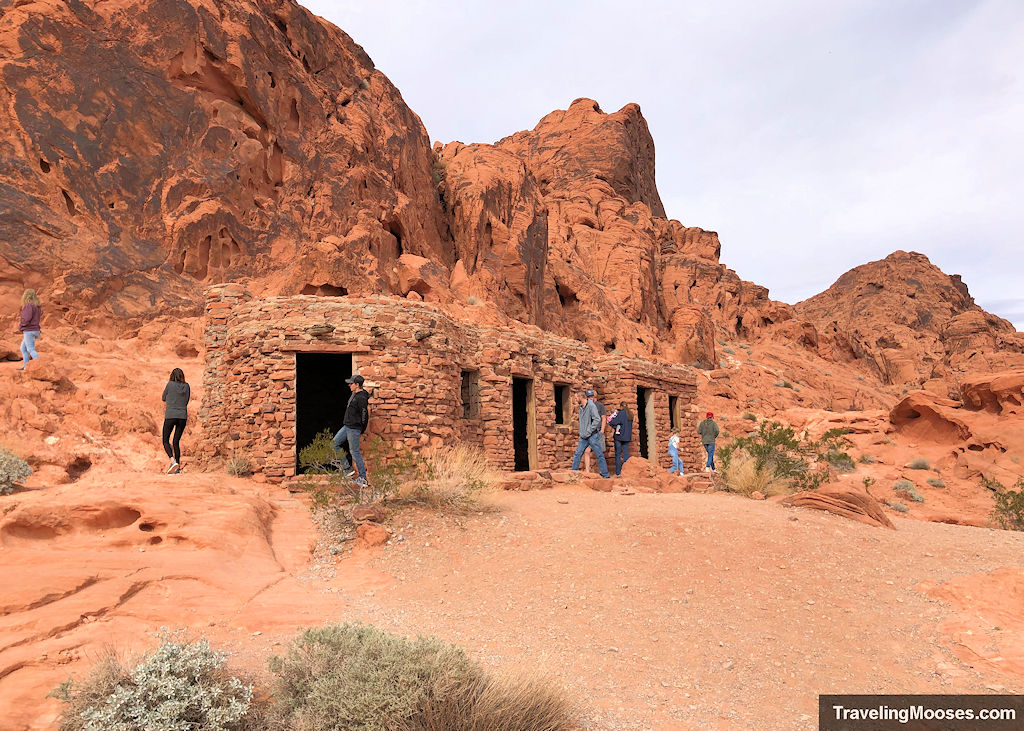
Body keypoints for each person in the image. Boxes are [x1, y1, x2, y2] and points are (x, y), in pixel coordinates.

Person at [333, 374, 370, 486]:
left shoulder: (361, 398)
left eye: (351, 383)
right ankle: (347, 470)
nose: (349, 385)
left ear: (357, 385)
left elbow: (364, 415)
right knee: (334, 444)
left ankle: (363, 479)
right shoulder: (355, 394)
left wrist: (361, 428)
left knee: (355, 452)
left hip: (354, 428)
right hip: (347, 426)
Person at [571, 389, 610, 479]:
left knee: (599, 453)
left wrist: (589, 430)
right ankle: (573, 473)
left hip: (592, 435)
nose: (575, 399)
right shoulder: (581, 407)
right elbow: (582, 421)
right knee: (578, 453)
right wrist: (582, 431)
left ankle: (605, 474)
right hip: (584, 436)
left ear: (581, 397)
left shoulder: (591, 406)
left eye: (576, 398)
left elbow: (597, 419)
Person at [161, 368, 190, 474]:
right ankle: (177, 469)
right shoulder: (187, 386)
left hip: (171, 415)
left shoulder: (170, 385)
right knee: (176, 441)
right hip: (182, 416)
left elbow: (163, 398)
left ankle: (173, 461)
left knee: (165, 440)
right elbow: (186, 400)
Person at [16, 289, 42, 371]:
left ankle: (40, 366)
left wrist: (21, 326)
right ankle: (26, 367)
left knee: (30, 349)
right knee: (23, 348)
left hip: (29, 330)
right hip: (35, 330)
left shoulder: (28, 305)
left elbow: (26, 318)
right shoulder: (37, 306)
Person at [584, 392, 608, 473]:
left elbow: (604, 418)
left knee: (599, 452)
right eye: (588, 397)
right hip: (590, 433)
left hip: (597, 431)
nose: (590, 398)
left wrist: (602, 430)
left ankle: (602, 471)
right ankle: (587, 470)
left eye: (591, 396)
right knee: (587, 451)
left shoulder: (599, 405)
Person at [607, 401, 633, 476]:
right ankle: (626, 472)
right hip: (627, 437)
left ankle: (618, 472)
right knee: (625, 454)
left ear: (621, 406)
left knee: (618, 454)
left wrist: (611, 421)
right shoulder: (630, 414)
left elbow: (614, 422)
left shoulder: (621, 413)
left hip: (619, 436)